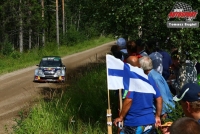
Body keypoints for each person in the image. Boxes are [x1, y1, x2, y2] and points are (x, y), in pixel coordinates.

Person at [113, 56, 162, 134]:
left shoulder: (130, 81)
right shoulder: (149, 79)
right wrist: (157, 116)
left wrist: (121, 117)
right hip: (149, 122)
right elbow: (159, 98)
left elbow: (129, 99)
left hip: (134, 123)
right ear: (139, 66)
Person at [139, 56, 175, 121]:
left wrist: (162, 115)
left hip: (164, 114)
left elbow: (163, 98)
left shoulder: (155, 78)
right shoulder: (151, 75)